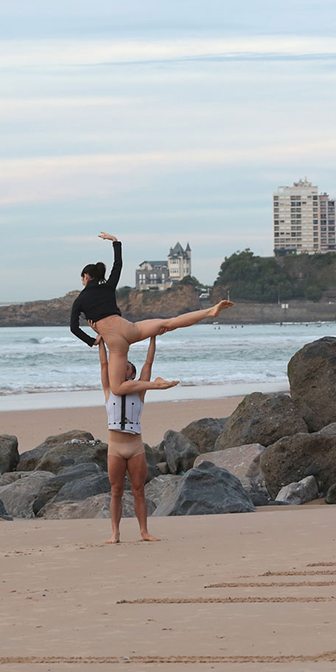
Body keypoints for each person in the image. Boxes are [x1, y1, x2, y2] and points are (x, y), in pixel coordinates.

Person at [71, 231, 233, 396]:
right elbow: (117, 265)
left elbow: (74, 328)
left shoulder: (80, 300)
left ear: (85, 276)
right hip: (129, 328)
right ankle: (210, 311)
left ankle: (154, 385)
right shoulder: (108, 286)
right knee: (170, 322)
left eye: (82, 278)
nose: (82, 281)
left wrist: (93, 340)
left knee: (117, 388)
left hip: (116, 343)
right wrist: (115, 242)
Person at [98, 334, 176, 543]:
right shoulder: (109, 390)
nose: (122, 368)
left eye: (126, 367)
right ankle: (115, 533)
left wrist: (152, 337)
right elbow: (105, 363)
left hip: (135, 448)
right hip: (115, 448)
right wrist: (103, 341)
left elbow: (148, 363)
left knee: (138, 490)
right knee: (116, 491)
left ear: (132, 373)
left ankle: (144, 531)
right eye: (120, 366)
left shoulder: (141, 390)